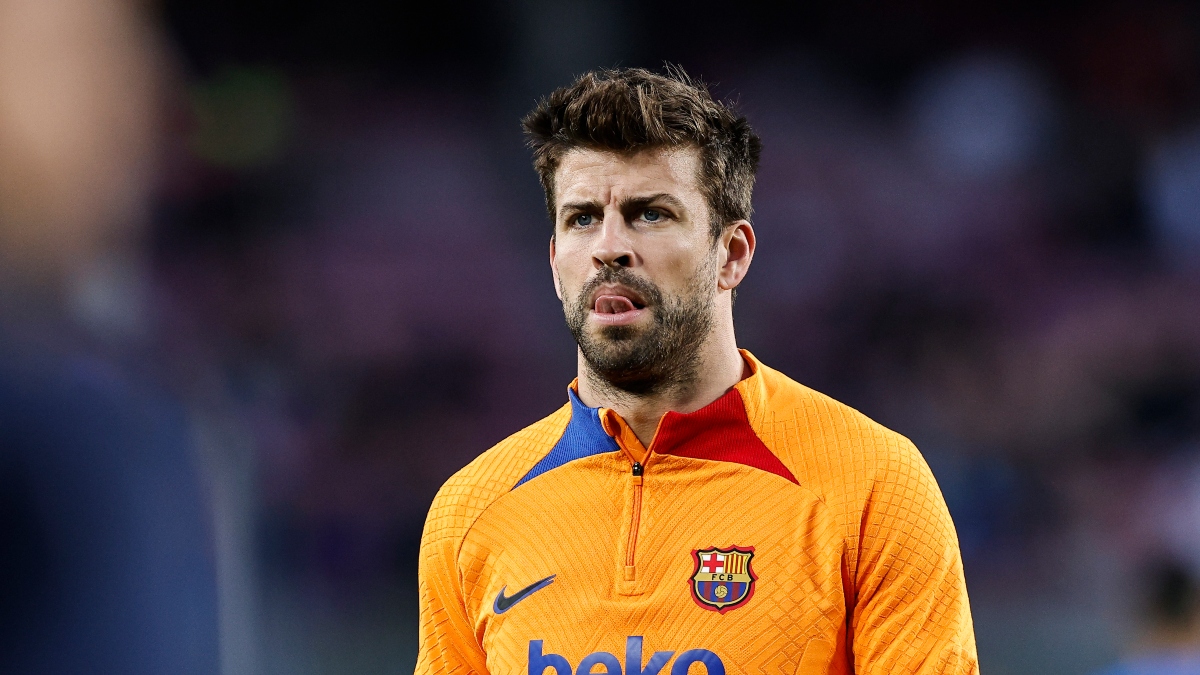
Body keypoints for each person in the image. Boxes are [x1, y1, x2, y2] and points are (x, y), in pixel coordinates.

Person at [415, 67, 977, 675]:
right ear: (555, 264)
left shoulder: (872, 484)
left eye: (650, 214)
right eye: (581, 218)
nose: (608, 247)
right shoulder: (471, 511)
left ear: (731, 254)